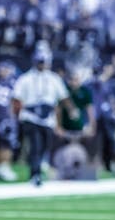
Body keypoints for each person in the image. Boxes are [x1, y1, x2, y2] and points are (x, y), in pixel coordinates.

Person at [11, 51, 77, 186]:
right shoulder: (25, 78)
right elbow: (16, 98)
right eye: (40, 62)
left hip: (48, 118)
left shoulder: (53, 78)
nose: (42, 65)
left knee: (45, 146)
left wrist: (71, 110)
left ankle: (39, 170)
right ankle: (35, 174)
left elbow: (63, 96)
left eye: (44, 62)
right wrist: (16, 115)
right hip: (30, 115)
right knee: (35, 145)